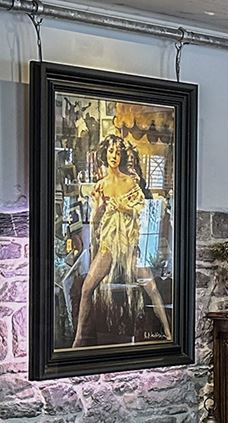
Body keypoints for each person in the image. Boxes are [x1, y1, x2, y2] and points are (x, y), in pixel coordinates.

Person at [73, 134, 172, 347]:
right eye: (110, 152)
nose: (114, 156)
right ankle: (79, 336)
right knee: (87, 288)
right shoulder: (100, 186)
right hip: (109, 245)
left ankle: (167, 329)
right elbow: (95, 220)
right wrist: (99, 208)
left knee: (151, 287)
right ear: (104, 155)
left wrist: (124, 208)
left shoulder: (131, 183)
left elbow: (142, 210)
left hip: (128, 244)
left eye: (117, 152)